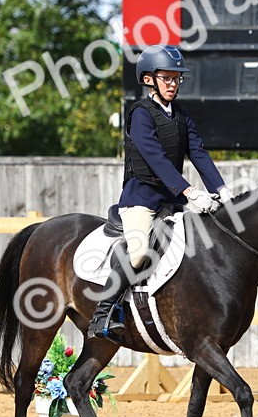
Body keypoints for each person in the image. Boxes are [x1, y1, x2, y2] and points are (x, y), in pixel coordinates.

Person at [87, 44, 232, 341]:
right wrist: (190, 191)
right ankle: (103, 313)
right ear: (149, 79)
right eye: (166, 78)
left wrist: (223, 192)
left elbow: (199, 154)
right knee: (139, 253)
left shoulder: (181, 116)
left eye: (176, 78)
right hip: (141, 199)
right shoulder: (140, 114)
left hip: (172, 202)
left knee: (203, 242)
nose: (172, 84)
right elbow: (155, 158)